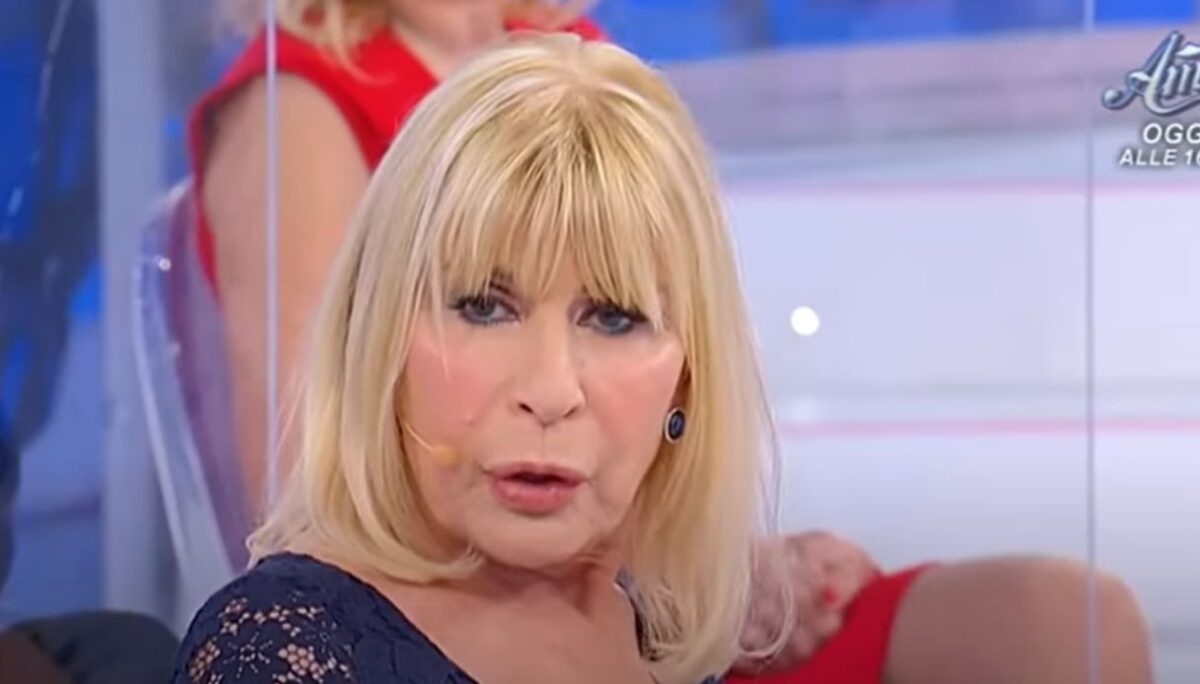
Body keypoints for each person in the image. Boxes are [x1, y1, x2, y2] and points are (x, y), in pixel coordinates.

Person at [189, 2, 1156, 682]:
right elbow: (303, 461)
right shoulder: (294, 106)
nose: (551, 385)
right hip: (465, 586)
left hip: (639, 588)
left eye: (611, 318)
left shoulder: (578, 62)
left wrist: (724, 565)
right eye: (483, 306)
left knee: (1061, 622)